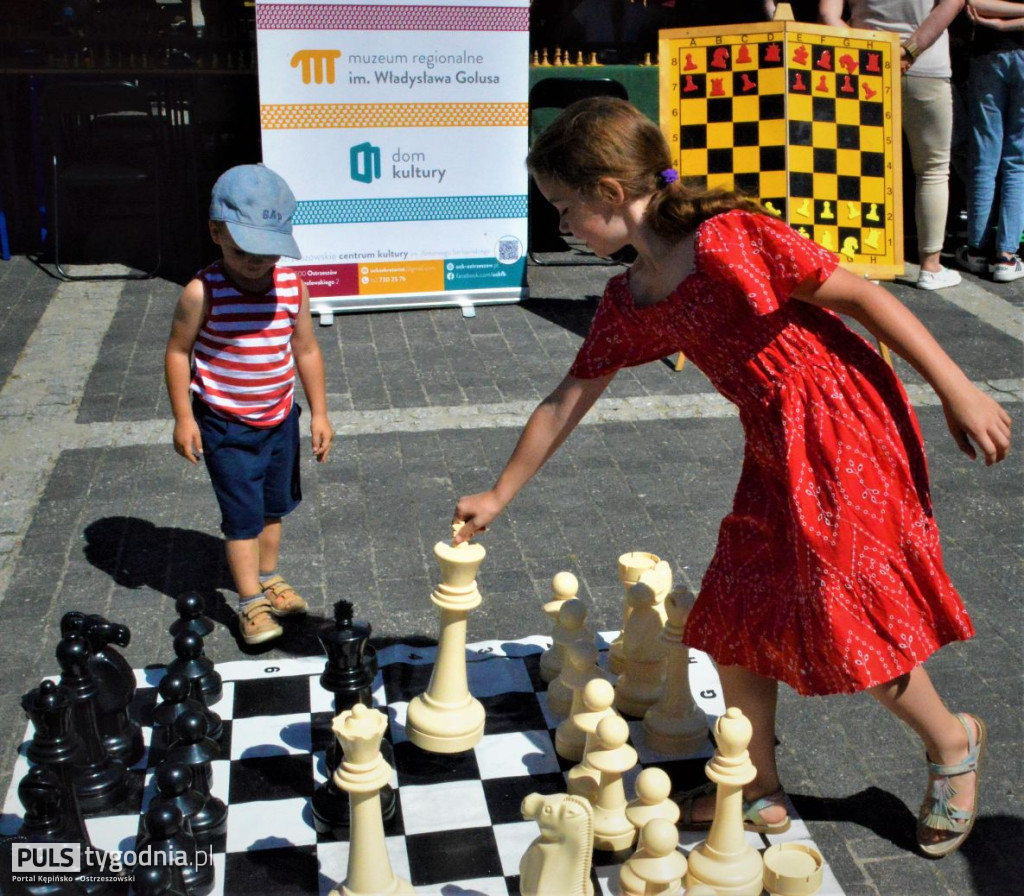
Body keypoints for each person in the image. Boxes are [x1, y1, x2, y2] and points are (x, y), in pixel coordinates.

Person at [452, 98, 1011, 857]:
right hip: (774, 442)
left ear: (612, 193)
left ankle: (953, 744)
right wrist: (498, 493)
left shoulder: (730, 239)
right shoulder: (632, 298)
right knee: (737, 614)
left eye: (565, 209)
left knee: (847, 612)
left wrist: (957, 387)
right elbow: (565, 401)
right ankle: (758, 787)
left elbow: (865, 296)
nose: (563, 230)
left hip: (843, 425)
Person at [165, 164, 334, 645]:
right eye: (243, 250)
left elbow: (305, 350)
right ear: (216, 233)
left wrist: (319, 411)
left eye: (268, 251)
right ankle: (248, 603)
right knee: (242, 518)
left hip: (280, 420)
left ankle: (269, 577)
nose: (256, 262)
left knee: (273, 510)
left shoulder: (291, 288)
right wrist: (183, 417)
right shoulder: (202, 292)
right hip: (226, 425)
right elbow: (178, 351)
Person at [819, 0, 966, 290]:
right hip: (927, 69)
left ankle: (863, 261)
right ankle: (930, 266)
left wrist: (869, 51)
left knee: (861, 168)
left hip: (864, 68)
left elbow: (827, 15)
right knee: (933, 170)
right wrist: (908, 50)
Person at [955, 0, 1024, 282]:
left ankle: (977, 248)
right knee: (1017, 161)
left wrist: (995, 24)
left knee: (984, 155)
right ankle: (1006, 255)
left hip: (987, 54)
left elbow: (973, 4)